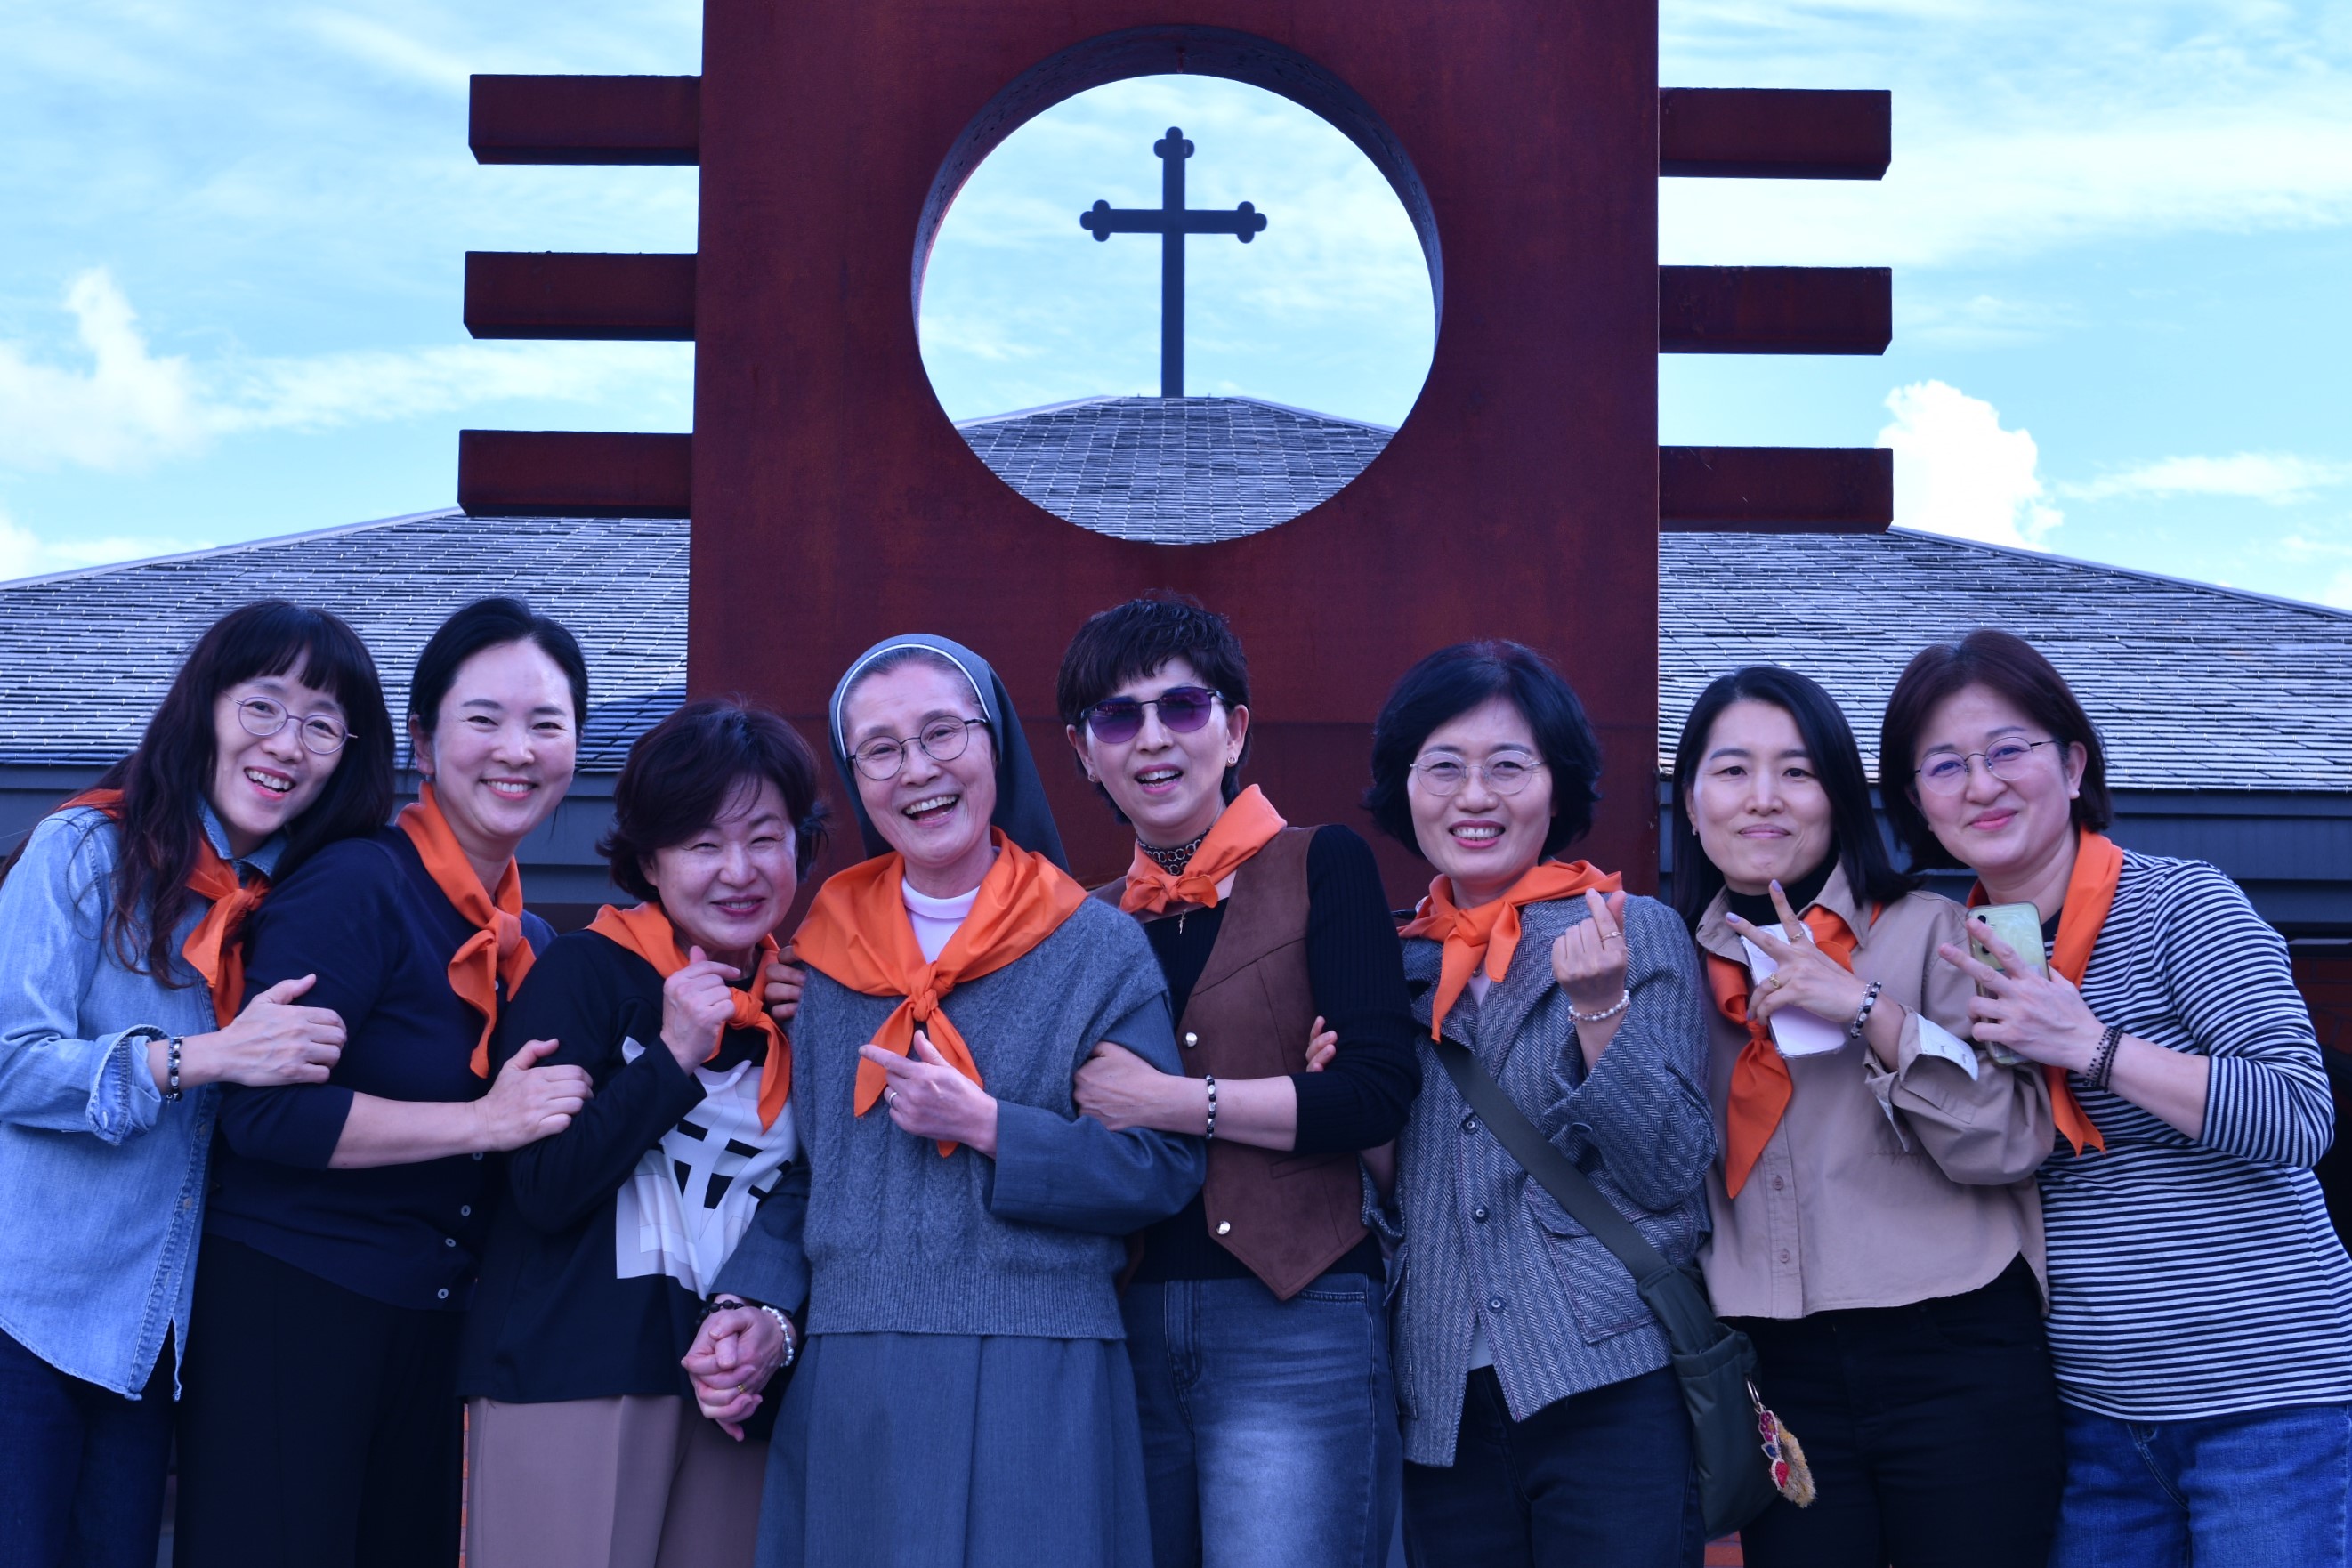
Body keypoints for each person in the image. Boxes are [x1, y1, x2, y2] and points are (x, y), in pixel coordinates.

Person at [681, 633, 1207, 1568]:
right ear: (856, 777)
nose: (917, 769)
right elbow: (812, 1175)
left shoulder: (1096, 947)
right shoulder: (825, 954)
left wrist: (992, 1128)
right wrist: (755, 1303)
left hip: (1041, 1368)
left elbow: (1159, 1168)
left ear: (993, 742)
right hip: (855, 1375)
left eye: (941, 733)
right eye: (880, 749)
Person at [1880, 627, 2352, 1568]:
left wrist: (2089, 1045)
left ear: (2072, 763)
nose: (1980, 784)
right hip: (2093, 1411)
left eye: (2006, 750)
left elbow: (2300, 1113)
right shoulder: (1952, 953)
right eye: (1945, 765)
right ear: (1917, 802)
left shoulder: (2184, 904)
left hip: (2266, 1401)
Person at [173, 597, 599, 1568]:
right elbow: (266, 1116)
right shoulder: (357, 882)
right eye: (484, 719)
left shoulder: (529, 939)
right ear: (423, 740)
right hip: (292, 1308)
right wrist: (482, 1122)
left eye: (547, 723)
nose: (517, 749)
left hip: (433, 1324)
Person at [0, 601, 391, 1568]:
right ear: (205, 706)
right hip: (24, 1314)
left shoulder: (299, 903)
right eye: (263, 706)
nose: (287, 744)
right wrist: (202, 1056)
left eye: (322, 725)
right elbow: (9, 1059)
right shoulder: (87, 848)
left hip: (151, 1342)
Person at [1052, 595, 1418, 1568]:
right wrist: (1287, 1100)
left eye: (1181, 706)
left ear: (1234, 728)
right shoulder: (1081, 922)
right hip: (1123, 1325)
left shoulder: (1321, 863)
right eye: (1117, 717)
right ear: (1083, 753)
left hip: (1299, 1321)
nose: (1152, 738)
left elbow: (1374, 1095)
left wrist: (1168, 1102)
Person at [1670, 664, 2061, 1567]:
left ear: (1840, 797)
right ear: (1690, 804)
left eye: (1797, 771)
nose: (1763, 798)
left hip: (1955, 1344)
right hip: (1776, 1366)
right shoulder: (1665, 969)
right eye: (1731, 771)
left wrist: (1868, 1010)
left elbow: (2012, 1140)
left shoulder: (1946, 933)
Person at [1362, 639, 1714, 1568]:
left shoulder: (1629, 928)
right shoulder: (1384, 960)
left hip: (1607, 1372)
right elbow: (1381, 1194)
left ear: (1556, 786)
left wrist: (1600, 1011)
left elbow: (1670, 1169)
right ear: (1405, 786)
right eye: (1444, 766)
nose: (1474, 796)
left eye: (1508, 766)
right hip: (1438, 1390)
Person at [457, 699, 831, 1568]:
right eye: (702, 844)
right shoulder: (585, 971)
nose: (738, 871)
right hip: (570, 1372)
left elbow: (817, 1200)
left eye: (765, 838)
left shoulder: (805, 1003)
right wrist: (671, 1056)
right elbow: (543, 1187)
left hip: (733, 1392)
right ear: (650, 860)